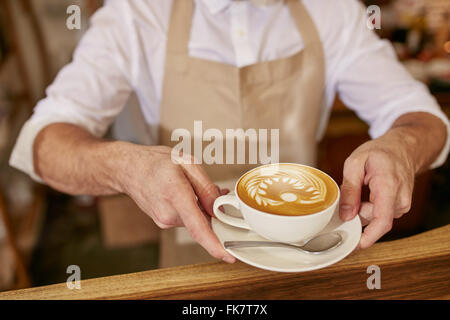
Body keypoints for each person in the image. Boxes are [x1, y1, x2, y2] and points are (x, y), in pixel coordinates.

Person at [10, 0, 449, 265]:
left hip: (308, 252)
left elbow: (419, 116)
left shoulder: (330, 10)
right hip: (189, 265)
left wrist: (403, 145)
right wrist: (124, 166)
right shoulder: (136, 14)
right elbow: (42, 141)